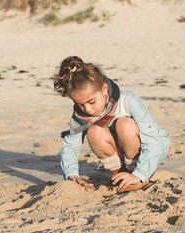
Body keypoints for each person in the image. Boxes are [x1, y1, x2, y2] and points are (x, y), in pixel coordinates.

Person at [54, 56, 170, 192]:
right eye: (80, 104)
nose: (87, 109)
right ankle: (119, 173)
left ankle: (133, 174)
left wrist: (140, 174)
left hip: (152, 151)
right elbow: (70, 146)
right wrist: (71, 175)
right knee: (93, 131)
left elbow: (152, 140)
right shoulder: (81, 114)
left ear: (104, 89)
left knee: (124, 124)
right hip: (122, 153)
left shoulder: (129, 101)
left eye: (91, 102)